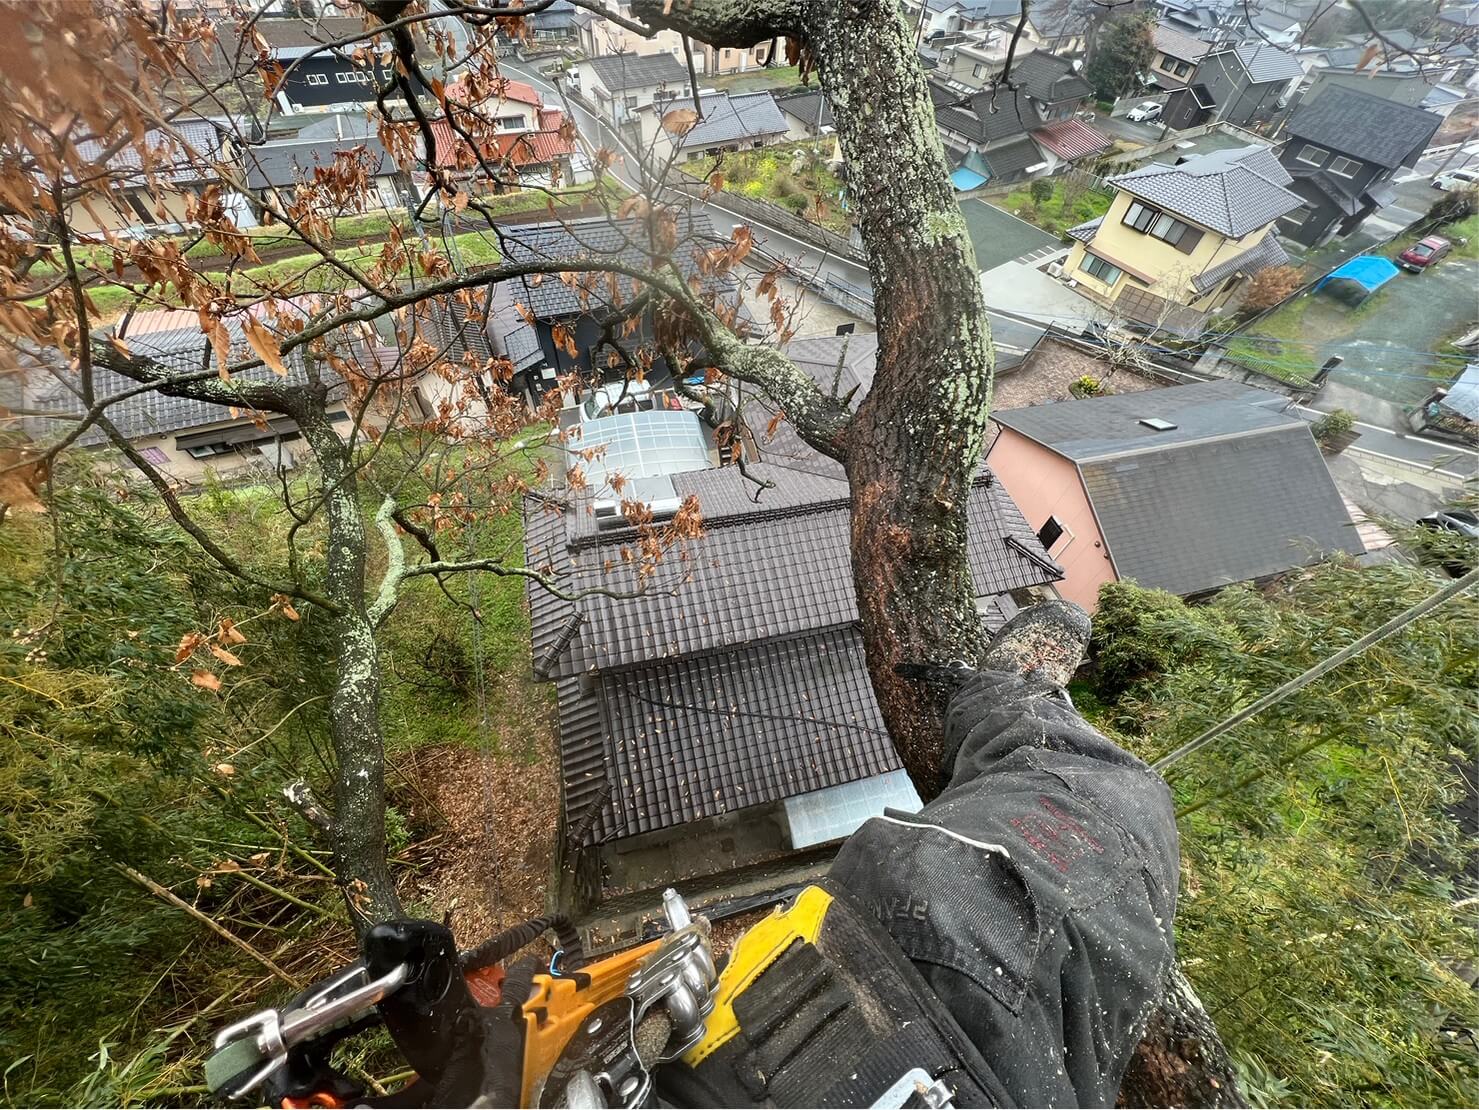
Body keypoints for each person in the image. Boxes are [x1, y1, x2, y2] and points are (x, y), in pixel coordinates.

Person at [657, 601, 1182, 1108]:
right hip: (948, 993)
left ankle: (1013, 702)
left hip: (892, 959)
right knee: (1128, 800)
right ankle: (1017, 702)